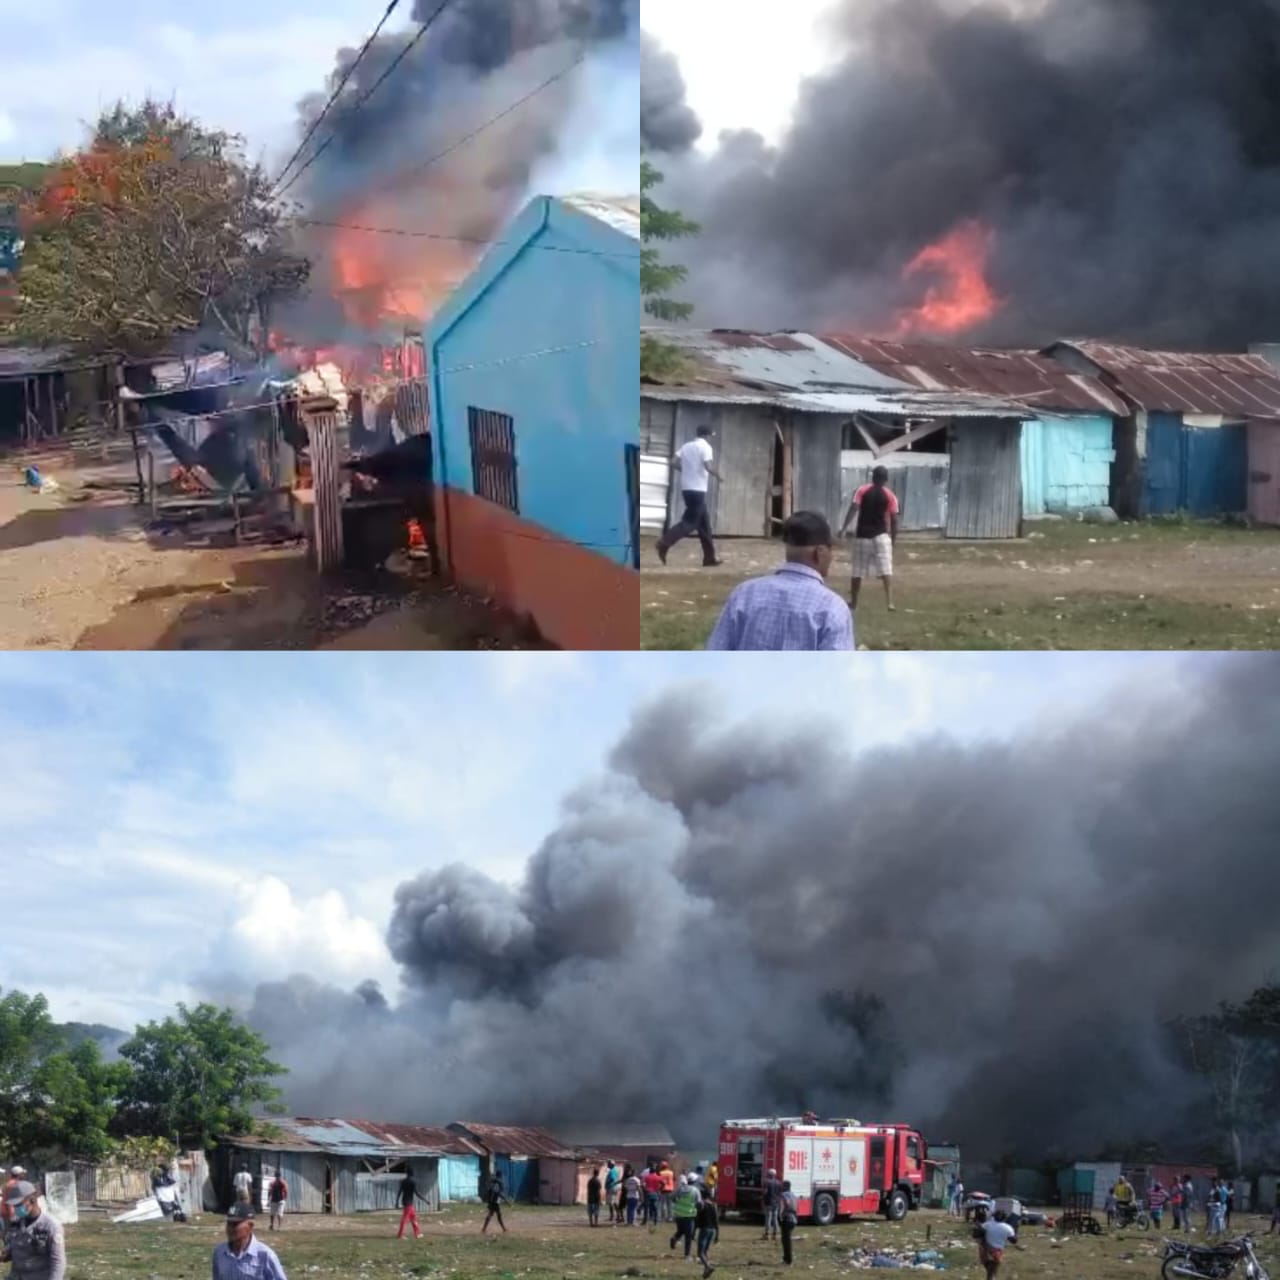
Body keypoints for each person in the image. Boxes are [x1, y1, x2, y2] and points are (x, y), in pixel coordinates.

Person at [707, 511, 854, 651]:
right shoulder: (832, 608)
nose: (832, 556)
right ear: (819, 553)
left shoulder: (745, 593)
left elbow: (715, 654)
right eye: (831, 549)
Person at [656, 427, 722, 567]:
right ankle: (664, 542)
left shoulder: (686, 446)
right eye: (710, 435)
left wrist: (685, 471)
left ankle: (709, 558)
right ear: (707, 435)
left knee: (704, 525)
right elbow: (708, 466)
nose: (711, 438)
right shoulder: (706, 447)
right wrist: (718, 475)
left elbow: (673, 462)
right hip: (698, 489)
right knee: (690, 522)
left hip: (687, 488)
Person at [840, 464, 900, 612]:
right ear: (886, 479)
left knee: (857, 571)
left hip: (862, 536)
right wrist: (893, 539)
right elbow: (894, 519)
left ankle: (854, 603)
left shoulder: (862, 490)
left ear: (872, 477)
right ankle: (890, 602)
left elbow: (854, 508)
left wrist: (844, 528)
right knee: (886, 570)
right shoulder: (890, 495)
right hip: (881, 536)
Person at [1, 1180, 65, 1280]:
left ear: (32, 1200)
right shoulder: (16, 1223)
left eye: (19, 1204)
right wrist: (6, 1253)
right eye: (14, 1205)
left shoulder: (51, 1226)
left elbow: (58, 1262)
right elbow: (14, 1247)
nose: (16, 1208)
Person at [213, 1202, 286, 1280]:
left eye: (235, 1224)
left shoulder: (265, 1255)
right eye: (228, 1224)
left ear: (250, 1226)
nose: (230, 1228)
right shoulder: (220, 1253)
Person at [976, 1208, 1016, 1280]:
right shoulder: (1008, 1228)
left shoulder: (987, 1224)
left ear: (994, 1216)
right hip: (996, 1251)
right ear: (1005, 1217)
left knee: (990, 1271)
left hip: (984, 1250)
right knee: (991, 1273)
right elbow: (1014, 1241)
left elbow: (977, 1234)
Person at [670, 1176, 699, 1260]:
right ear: (694, 1182)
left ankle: (674, 1238)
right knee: (688, 1236)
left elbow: (671, 1197)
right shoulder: (695, 1190)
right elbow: (699, 1202)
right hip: (689, 1215)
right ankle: (687, 1255)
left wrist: (676, 1202)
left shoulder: (680, 1189)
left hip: (679, 1214)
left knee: (681, 1231)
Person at [696, 1182, 719, 1277]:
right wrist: (717, 1235)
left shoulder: (701, 1205)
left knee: (700, 1253)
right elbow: (716, 1221)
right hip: (712, 1230)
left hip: (704, 1230)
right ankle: (706, 1270)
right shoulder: (713, 1205)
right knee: (705, 1251)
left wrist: (693, 1231)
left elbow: (697, 1220)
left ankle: (708, 1266)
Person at [397, 1170, 422, 1240]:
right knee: (405, 1220)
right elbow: (417, 1193)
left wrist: (396, 1201)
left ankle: (417, 1233)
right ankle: (400, 1235)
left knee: (413, 1218)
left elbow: (399, 1192)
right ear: (412, 1174)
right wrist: (425, 1200)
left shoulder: (403, 1182)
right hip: (409, 1203)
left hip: (405, 1202)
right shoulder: (412, 1182)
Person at [779, 1180, 799, 1266]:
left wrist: (782, 1213)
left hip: (787, 1218)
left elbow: (786, 1203)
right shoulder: (794, 1195)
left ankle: (788, 1260)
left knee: (786, 1241)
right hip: (794, 1219)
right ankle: (787, 1259)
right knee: (787, 1240)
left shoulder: (784, 1195)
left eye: (783, 1186)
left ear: (785, 1187)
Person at [762, 1168, 783, 1242]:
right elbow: (780, 1194)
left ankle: (767, 1234)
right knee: (775, 1219)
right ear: (775, 1175)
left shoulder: (767, 1182)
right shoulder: (779, 1183)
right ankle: (775, 1234)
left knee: (768, 1218)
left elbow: (765, 1192)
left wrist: (763, 1199)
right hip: (776, 1203)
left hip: (769, 1203)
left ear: (769, 1174)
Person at [643, 1165, 663, 1229]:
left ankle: (646, 1220)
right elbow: (663, 1183)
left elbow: (643, 1184)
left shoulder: (647, 1177)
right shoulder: (658, 1177)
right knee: (655, 1208)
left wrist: (645, 1189)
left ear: (650, 1171)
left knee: (647, 1207)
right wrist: (660, 1189)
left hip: (648, 1193)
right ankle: (655, 1221)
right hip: (655, 1193)